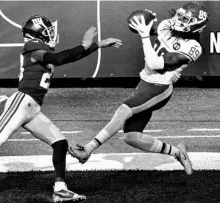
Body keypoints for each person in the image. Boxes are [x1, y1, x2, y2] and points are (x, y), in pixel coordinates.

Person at [0, 15, 122, 202]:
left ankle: (60, 189)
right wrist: (84, 44)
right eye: (48, 30)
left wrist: (97, 45)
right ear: (38, 33)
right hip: (22, 102)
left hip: (33, 108)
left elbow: (67, 58)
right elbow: (58, 59)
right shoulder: (32, 45)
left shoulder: (40, 48)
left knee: (60, 143)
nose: (52, 34)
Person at [68, 2, 209, 176]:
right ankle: (177, 152)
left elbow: (154, 64)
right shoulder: (166, 25)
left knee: (123, 111)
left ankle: (87, 150)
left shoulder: (193, 47)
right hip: (144, 83)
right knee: (132, 136)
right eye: (179, 15)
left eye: (184, 18)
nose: (178, 19)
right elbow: (143, 27)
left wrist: (143, 36)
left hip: (160, 88)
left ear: (195, 25)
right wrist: (141, 23)